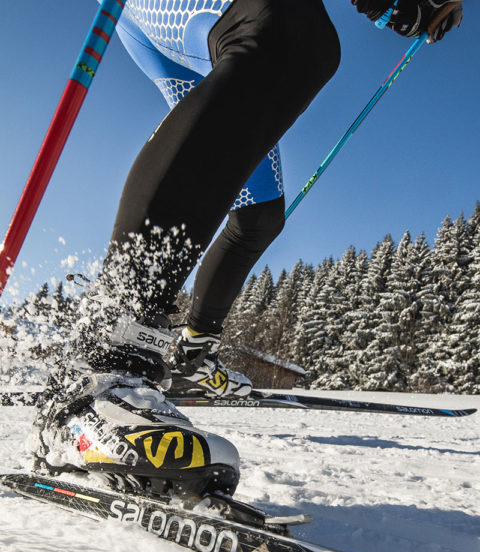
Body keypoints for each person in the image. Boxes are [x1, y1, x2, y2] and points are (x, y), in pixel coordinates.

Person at [33, 0, 463, 502]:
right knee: (293, 37)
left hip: (206, 31)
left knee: (259, 215)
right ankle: (102, 368)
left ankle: (193, 349)